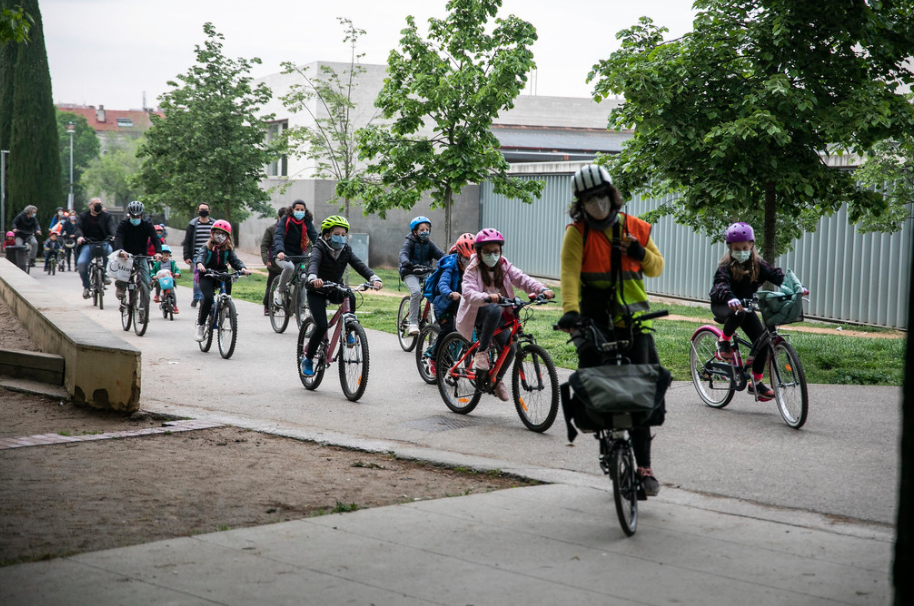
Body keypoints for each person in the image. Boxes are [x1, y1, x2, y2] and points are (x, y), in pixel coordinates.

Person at [556, 164, 665, 496]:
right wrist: (571, 314)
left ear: (612, 195)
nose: (598, 204)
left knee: (644, 390)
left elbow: (656, 268)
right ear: (581, 203)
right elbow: (570, 276)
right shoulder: (577, 233)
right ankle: (598, 428)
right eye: (590, 199)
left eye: (601, 196)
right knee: (594, 380)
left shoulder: (636, 228)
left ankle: (644, 468)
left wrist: (638, 251)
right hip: (594, 321)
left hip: (635, 321)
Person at [708, 222, 807, 400]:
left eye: (744, 247)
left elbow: (778, 275)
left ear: (751, 244)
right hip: (724, 304)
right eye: (736, 248)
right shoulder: (725, 267)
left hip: (745, 306)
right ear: (730, 247)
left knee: (763, 343)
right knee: (739, 313)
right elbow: (721, 284)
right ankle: (723, 342)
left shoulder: (758, 265)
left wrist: (797, 287)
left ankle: (756, 383)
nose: (741, 250)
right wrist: (730, 297)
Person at [456, 228, 554, 402]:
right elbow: (469, 293)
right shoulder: (473, 269)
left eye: (496, 251)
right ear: (479, 252)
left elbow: (523, 279)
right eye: (487, 252)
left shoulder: (504, 265)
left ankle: (496, 380)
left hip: (497, 312)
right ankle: (482, 352)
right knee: (493, 309)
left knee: (511, 347)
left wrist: (542, 289)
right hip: (477, 311)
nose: (492, 255)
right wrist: (487, 297)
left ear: (500, 251)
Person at [300, 215, 382, 377]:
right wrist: (313, 278)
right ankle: (308, 358)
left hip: (334, 288)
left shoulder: (346, 250)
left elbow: (359, 265)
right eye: (337, 234)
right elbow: (314, 263)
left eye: (344, 234)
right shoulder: (319, 247)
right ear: (327, 234)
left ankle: (349, 329)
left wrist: (373, 277)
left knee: (349, 294)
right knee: (322, 326)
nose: (341, 237)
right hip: (316, 290)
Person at [423, 232, 476, 375]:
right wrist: (449, 293)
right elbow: (443, 283)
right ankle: (434, 358)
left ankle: (459, 355)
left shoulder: (474, 267)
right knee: (448, 330)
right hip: (444, 302)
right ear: (458, 255)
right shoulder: (450, 265)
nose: (468, 263)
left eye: (471, 260)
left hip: (461, 303)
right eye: (465, 259)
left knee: (471, 327)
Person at [193, 220, 249, 342]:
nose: (220, 236)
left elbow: (235, 261)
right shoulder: (206, 247)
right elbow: (200, 257)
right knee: (207, 298)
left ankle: (227, 304)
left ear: (228, 237)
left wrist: (242, 268)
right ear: (211, 234)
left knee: (228, 277)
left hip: (221, 274)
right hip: (207, 274)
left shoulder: (227, 249)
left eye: (223, 234)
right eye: (217, 233)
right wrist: (200, 264)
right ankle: (200, 325)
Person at [399, 216, 446, 336]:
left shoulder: (429, 244)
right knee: (416, 293)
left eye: (427, 229)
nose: (425, 232)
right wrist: (405, 262)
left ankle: (434, 319)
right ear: (415, 232)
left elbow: (440, 254)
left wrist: (450, 260)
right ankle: (413, 323)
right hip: (410, 271)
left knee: (435, 291)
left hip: (425, 271)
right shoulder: (409, 243)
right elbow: (403, 253)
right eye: (422, 230)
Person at [113, 200, 161, 301]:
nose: (135, 219)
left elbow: (155, 239)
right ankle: (121, 286)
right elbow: (119, 238)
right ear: (129, 215)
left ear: (141, 215)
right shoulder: (123, 225)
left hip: (141, 255)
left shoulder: (147, 225)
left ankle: (144, 304)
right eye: (133, 217)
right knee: (123, 273)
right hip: (126, 255)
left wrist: (158, 252)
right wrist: (121, 251)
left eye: (138, 217)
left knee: (146, 280)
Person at [273, 199, 317, 300]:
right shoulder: (285, 219)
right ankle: (279, 291)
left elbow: (314, 236)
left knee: (304, 277)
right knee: (289, 267)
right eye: (297, 209)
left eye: (302, 209)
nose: (300, 211)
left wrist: (320, 249)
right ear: (292, 210)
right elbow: (279, 235)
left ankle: (300, 310)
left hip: (299, 255)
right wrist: (280, 251)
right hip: (283, 254)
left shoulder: (307, 222)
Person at [75, 197, 117, 298]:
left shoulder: (107, 216)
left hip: (104, 242)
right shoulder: (83, 216)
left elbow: (112, 227)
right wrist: (80, 237)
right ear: (90, 205)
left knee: (110, 253)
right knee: (81, 263)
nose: (98, 206)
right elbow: (78, 227)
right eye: (96, 204)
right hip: (88, 244)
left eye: (100, 204)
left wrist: (114, 235)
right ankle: (86, 286)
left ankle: (105, 274)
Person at [182, 203, 215, 308]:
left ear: (209, 211)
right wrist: (186, 256)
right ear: (198, 211)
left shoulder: (214, 225)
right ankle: (198, 297)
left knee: (211, 277)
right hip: (197, 256)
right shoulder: (193, 225)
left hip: (211, 256)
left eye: (205, 209)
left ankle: (206, 297)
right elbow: (187, 241)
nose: (203, 211)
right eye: (201, 209)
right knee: (197, 278)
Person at [261, 206, 288, 315]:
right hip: (274, 263)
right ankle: (267, 306)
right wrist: (266, 259)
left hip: (288, 262)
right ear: (279, 217)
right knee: (271, 285)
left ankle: (288, 307)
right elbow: (264, 245)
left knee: (289, 287)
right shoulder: (271, 229)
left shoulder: (291, 229)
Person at [152, 245, 181, 313]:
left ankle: (174, 306)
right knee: (158, 283)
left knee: (172, 292)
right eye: (164, 255)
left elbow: (177, 270)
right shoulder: (157, 264)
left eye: (167, 255)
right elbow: (152, 272)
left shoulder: (172, 263)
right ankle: (157, 295)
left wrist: (177, 273)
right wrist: (154, 276)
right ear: (160, 256)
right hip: (161, 279)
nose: (165, 257)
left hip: (170, 279)